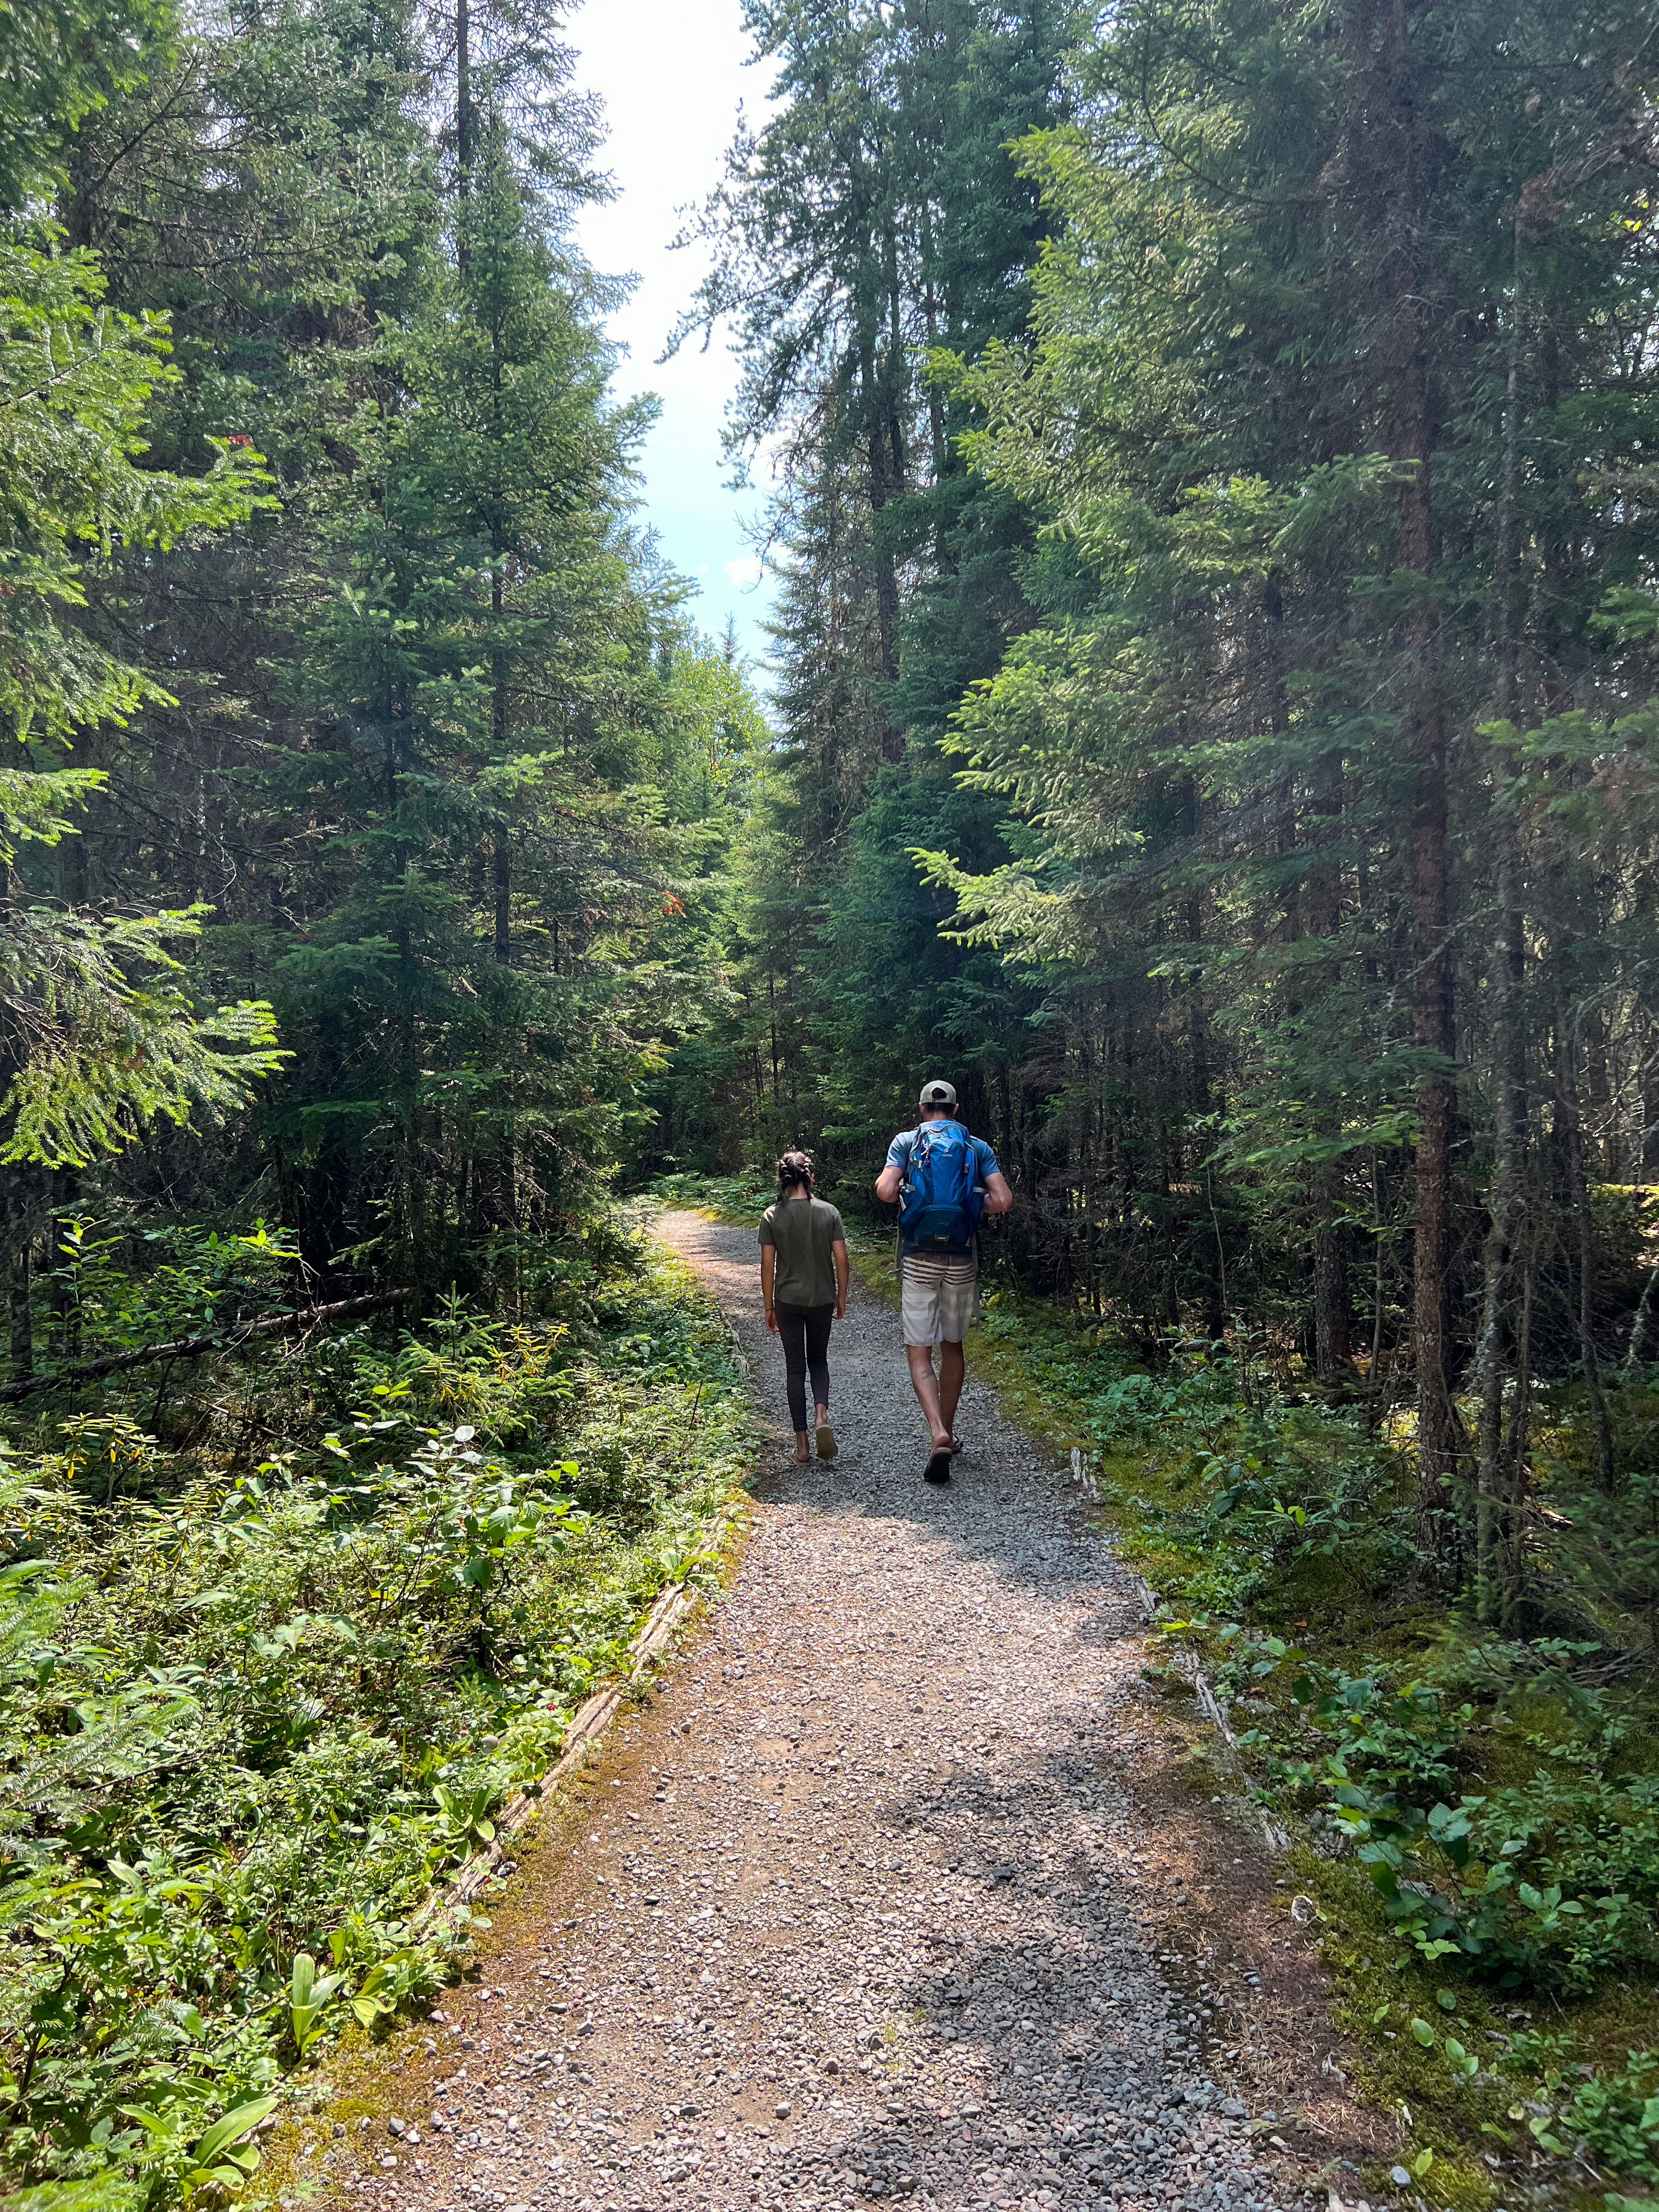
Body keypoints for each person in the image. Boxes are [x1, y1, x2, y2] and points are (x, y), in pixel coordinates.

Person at [875, 1079, 1013, 1483]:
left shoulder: (905, 1142)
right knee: (953, 1345)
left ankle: (936, 1432)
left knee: (919, 1352)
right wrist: (971, 1203)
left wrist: (905, 1191)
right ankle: (949, 1434)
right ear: (955, 1110)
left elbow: (885, 1191)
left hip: (919, 1257)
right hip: (961, 1259)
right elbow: (1003, 1201)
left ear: (922, 1109)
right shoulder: (977, 1147)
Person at [758, 1150, 850, 1464]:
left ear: (783, 1179)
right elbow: (841, 1259)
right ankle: (821, 1416)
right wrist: (841, 1296)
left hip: (787, 1300)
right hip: (822, 1298)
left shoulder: (772, 1216)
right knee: (819, 1361)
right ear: (809, 1177)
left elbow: (767, 1265)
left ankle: (802, 1447)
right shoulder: (829, 1212)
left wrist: (769, 1306)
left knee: (795, 1368)